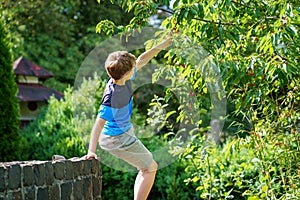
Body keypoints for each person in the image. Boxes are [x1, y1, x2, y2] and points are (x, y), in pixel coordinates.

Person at [84, 37, 172, 200]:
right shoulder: (112, 97)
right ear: (126, 73)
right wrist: (91, 151)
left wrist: (164, 44)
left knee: (146, 168)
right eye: (133, 68)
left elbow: (142, 59)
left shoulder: (120, 78)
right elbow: (98, 123)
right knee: (151, 168)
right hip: (117, 138)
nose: (136, 68)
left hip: (121, 134)